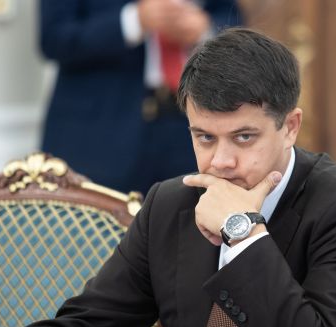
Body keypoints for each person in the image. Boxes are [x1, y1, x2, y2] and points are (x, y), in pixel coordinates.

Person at [0, 28, 336, 327]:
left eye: (244, 137)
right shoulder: (171, 205)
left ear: (290, 127)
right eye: (204, 137)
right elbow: (93, 325)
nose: (221, 162)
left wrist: (242, 232)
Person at [39, 0, 243, 194]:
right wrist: (135, 21)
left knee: (189, 213)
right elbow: (53, 36)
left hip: (189, 122)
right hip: (101, 130)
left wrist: (207, 30)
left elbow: (231, 17)